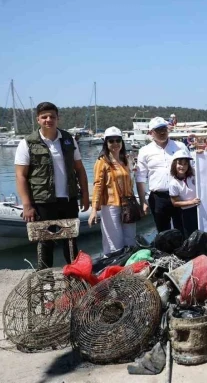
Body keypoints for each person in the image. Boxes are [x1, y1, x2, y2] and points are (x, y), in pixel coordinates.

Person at [14, 102, 90, 269]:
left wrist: (85, 195)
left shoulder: (69, 140)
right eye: (44, 117)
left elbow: (80, 169)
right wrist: (27, 205)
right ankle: (45, 280)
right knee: (45, 245)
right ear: (38, 120)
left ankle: (75, 279)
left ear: (58, 119)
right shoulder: (27, 143)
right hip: (43, 202)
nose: (49, 120)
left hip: (68, 199)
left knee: (70, 243)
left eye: (52, 117)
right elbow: (21, 175)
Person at [136, 117, 190, 233]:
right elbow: (140, 178)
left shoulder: (180, 147)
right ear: (151, 132)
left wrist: (202, 156)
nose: (162, 132)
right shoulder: (144, 151)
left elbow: (191, 169)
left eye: (164, 128)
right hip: (158, 198)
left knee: (182, 231)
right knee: (163, 233)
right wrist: (143, 201)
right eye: (158, 129)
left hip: (180, 195)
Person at [88, 127, 136, 256]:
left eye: (118, 140)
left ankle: (129, 268)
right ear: (106, 143)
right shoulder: (102, 161)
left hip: (127, 205)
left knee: (130, 239)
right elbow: (98, 185)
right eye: (111, 141)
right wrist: (94, 209)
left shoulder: (125, 160)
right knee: (114, 242)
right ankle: (113, 267)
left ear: (122, 142)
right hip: (110, 206)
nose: (115, 144)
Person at [169, 149, 200, 238]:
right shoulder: (173, 183)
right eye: (180, 163)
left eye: (185, 164)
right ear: (174, 164)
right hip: (187, 213)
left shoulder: (194, 174)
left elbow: (203, 164)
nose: (182, 166)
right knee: (191, 235)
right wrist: (192, 202)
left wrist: (201, 153)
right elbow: (175, 203)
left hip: (200, 209)